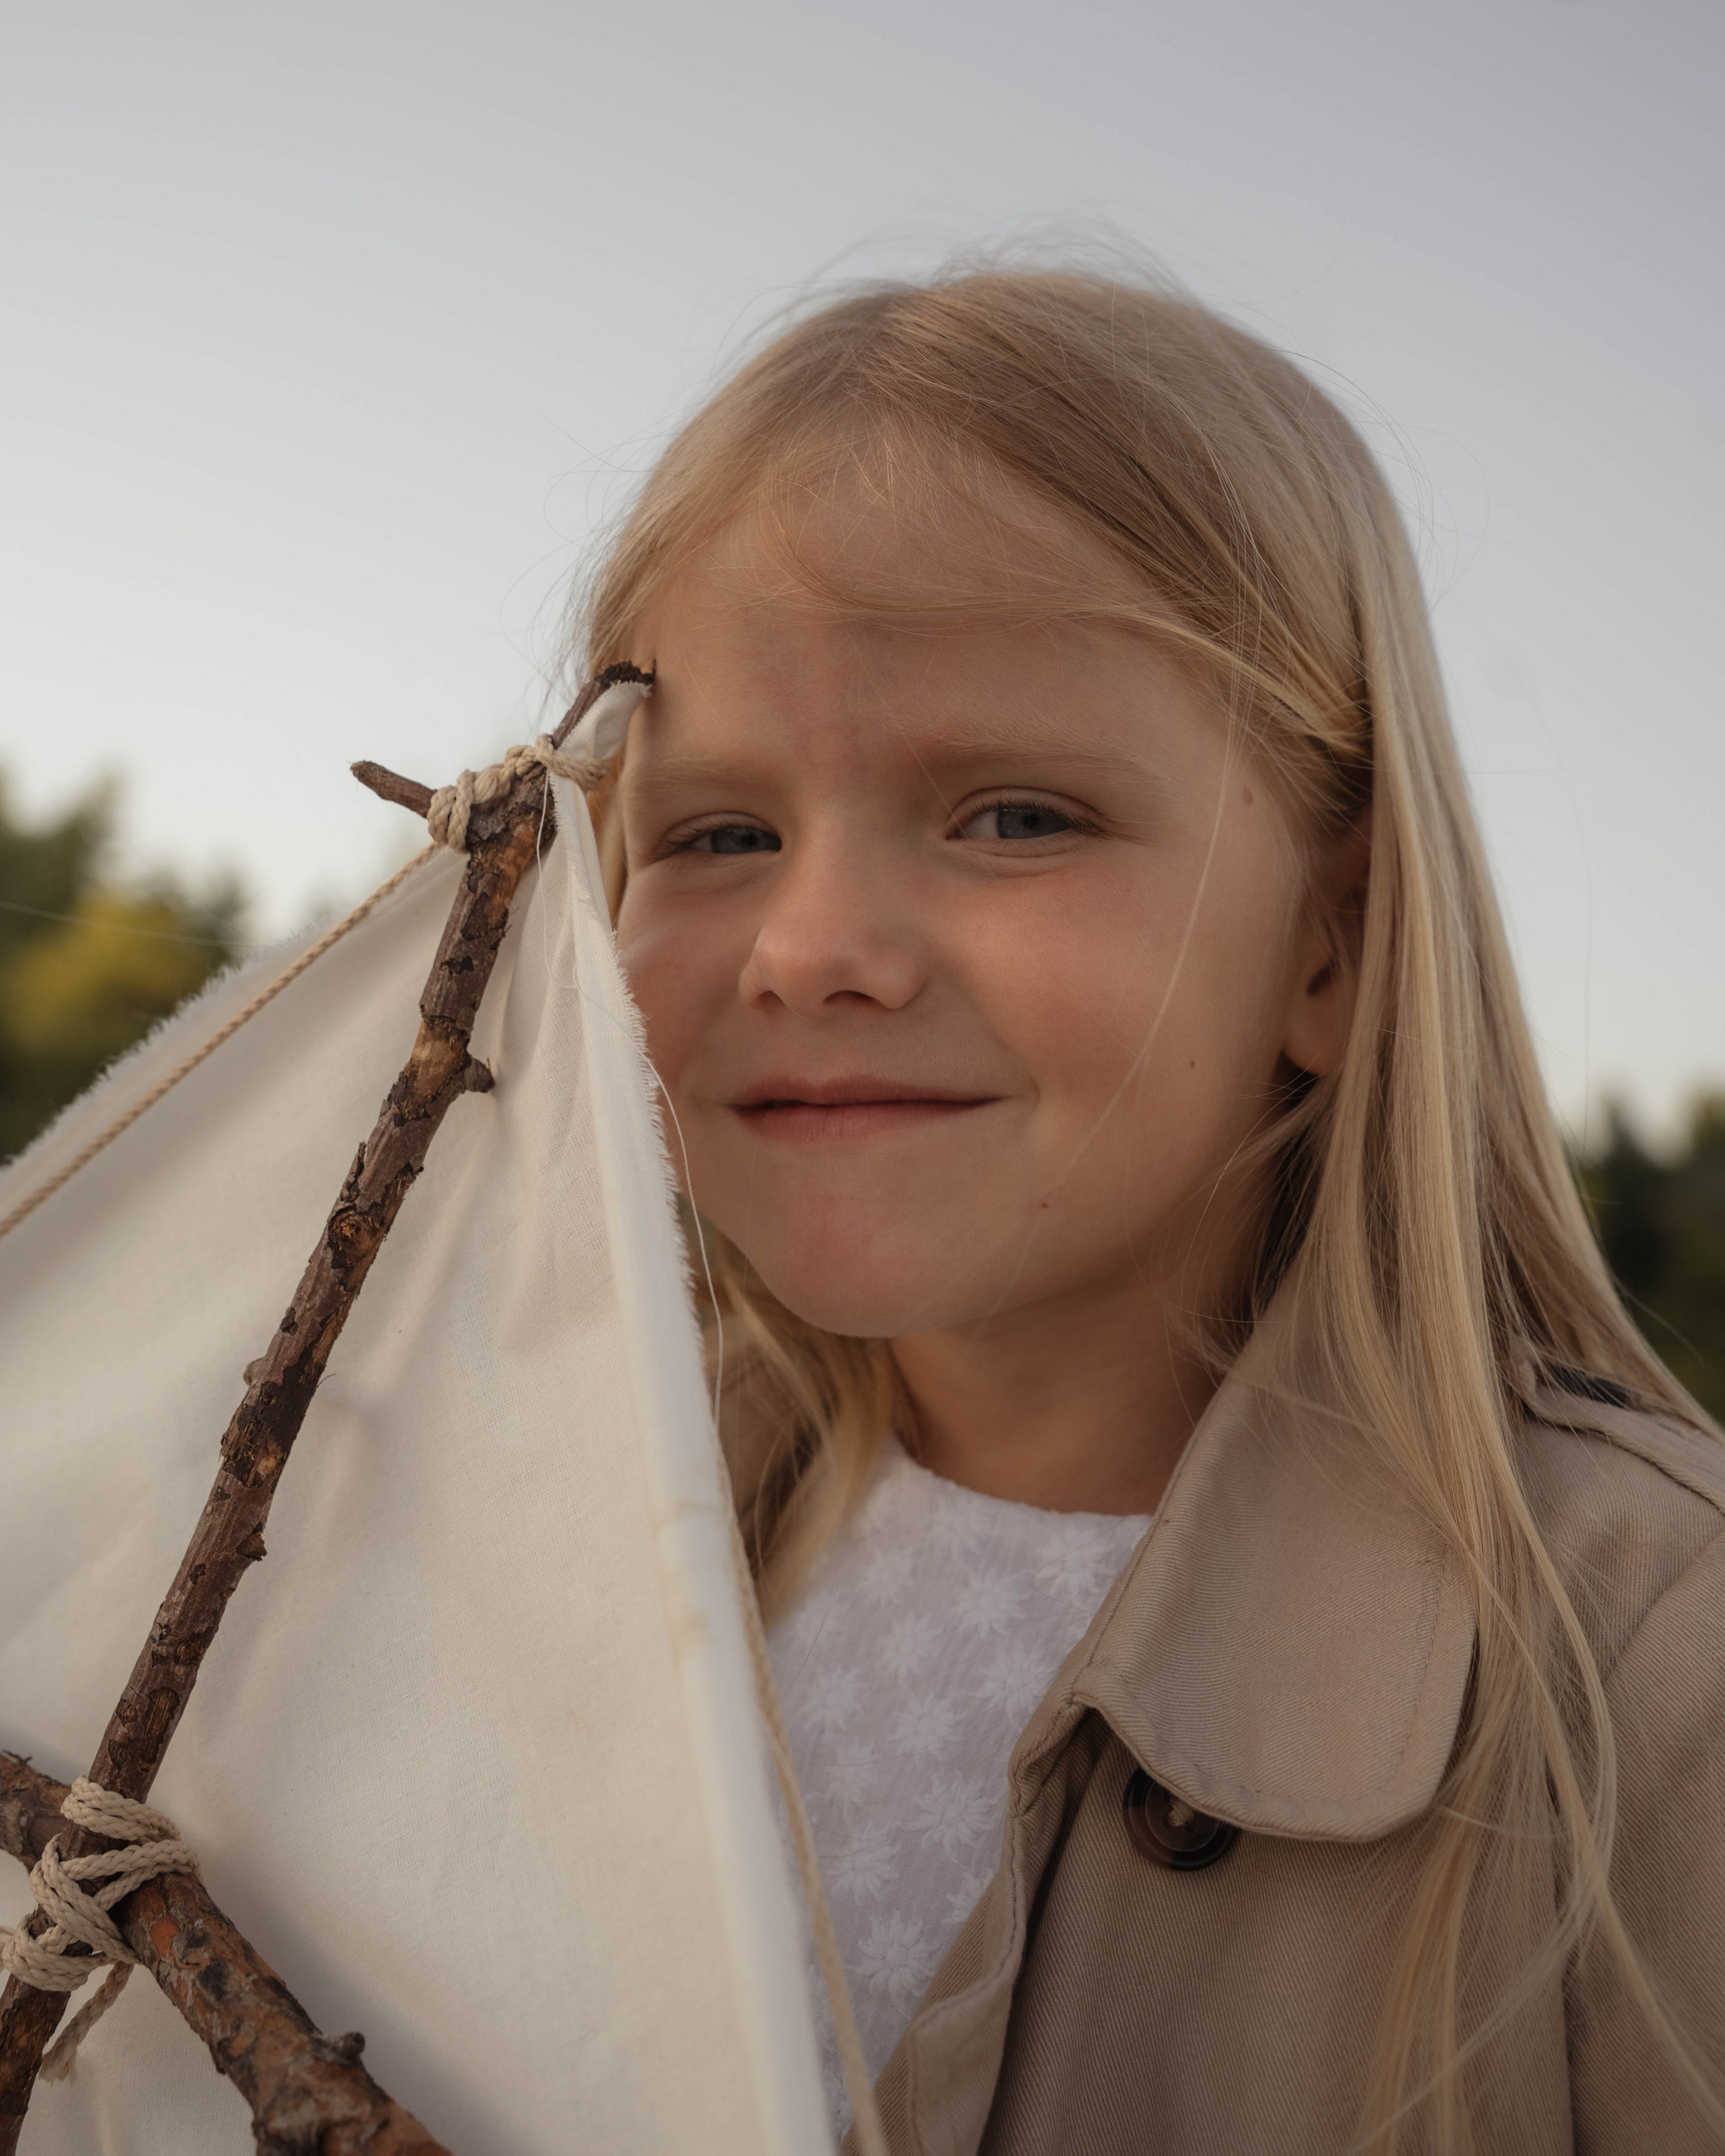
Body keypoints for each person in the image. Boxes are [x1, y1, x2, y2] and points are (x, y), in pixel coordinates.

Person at [571, 263, 1725, 2154]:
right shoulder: (529, 1514)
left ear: (1332, 946)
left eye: (1014, 814)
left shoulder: (1658, 1677)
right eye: (715, 834)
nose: (814, 948)